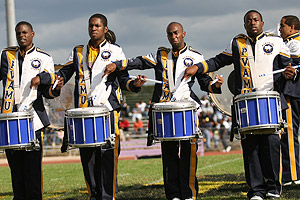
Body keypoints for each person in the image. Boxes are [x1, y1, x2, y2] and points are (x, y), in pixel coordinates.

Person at [104, 22, 223, 200]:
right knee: (168, 154)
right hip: (165, 112)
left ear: (183, 34)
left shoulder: (196, 56)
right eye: (170, 34)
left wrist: (216, 85)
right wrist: (118, 64)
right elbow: (138, 62)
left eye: (176, 33)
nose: (173, 37)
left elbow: (205, 83)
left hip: (187, 110)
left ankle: (189, 193)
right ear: (167, 36)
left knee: (188, 153)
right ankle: (173, 194)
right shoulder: (160, 55)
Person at [183, 10, 293, 200]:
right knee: (251, 148)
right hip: (246, 104)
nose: (253, 23)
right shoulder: (237, 43)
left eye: (256, 20)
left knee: (272, 145)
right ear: (244, 25)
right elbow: (217, 61)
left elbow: (288, 66)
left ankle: (274, 187)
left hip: (270, 101)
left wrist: (291, 74)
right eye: (248, 21)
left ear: (262, 22)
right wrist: (198, 67)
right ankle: (256, 190)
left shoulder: (276, 42)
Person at [33, 14, 145, 200]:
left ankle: (108, 196)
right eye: (91, 25)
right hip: (83, 112)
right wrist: (52, 81)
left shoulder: (115, 51)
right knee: (88, 158)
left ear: (105, 29)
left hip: (107, 110)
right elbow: (64, 72)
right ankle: (94, 195)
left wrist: (135, 85)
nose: (93, 28)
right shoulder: (78, 51)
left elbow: (123, 79)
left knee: (107, 155)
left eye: (97, 26)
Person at [0, 21, 62, 200]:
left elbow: (50, 86)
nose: (22, 35)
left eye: (25, 32)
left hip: (32, 119)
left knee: (32, 168)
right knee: (15, 169)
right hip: (10, 118)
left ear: (32, 34)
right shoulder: (6, 55)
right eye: (18, 33)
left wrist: (42, 78)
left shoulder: (44, 58)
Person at [279, 15, 300, 186]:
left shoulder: (293, 43)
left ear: (292, 28)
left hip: (293, 93)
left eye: (282, 26)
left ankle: (292, 175)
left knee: (289, 135)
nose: (280, 29)